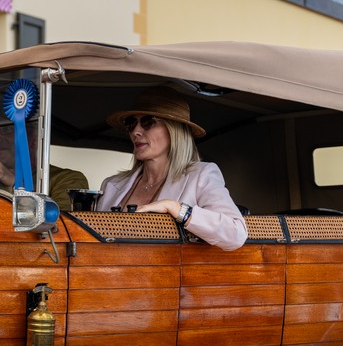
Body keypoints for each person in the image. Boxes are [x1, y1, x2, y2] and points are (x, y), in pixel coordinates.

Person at [97, 86, 247, 251]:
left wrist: (176, 209)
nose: (136, 131)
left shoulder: (201, 175)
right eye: (131, 123)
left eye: (148, 122)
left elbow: (236, 233)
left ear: (174, 129)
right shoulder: (111, 185)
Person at [0, 122, 88, 211]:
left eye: (7, 129)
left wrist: (14, 183)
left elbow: (61, 228)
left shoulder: (69, 180)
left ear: (33, 139)